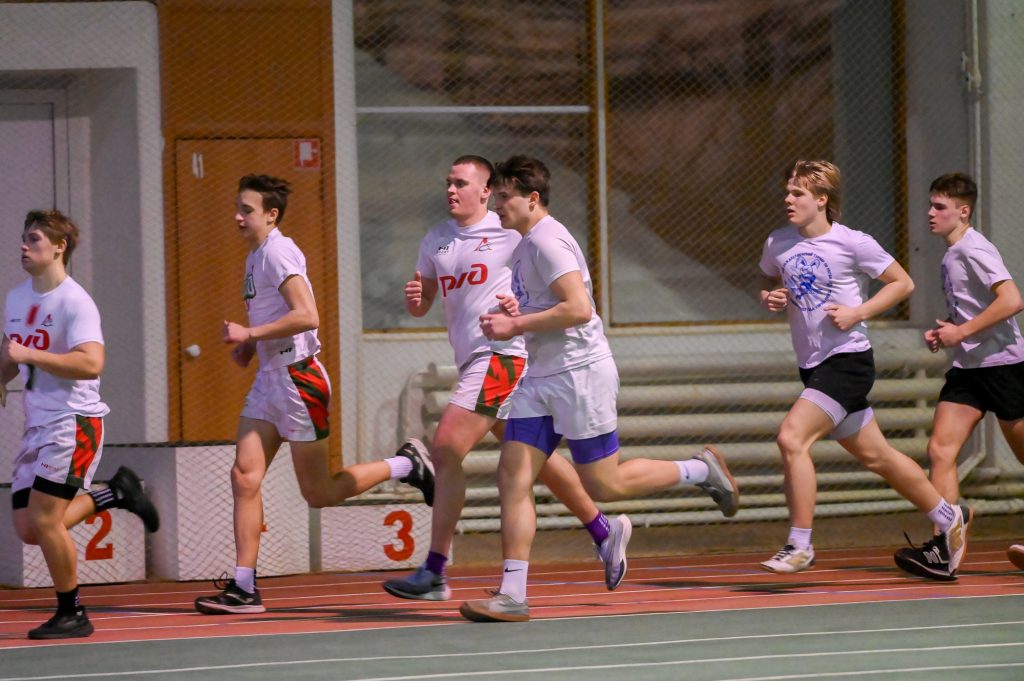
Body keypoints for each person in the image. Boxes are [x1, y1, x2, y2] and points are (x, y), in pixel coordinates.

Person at [458, 156, 739, 623]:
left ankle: (698, 469)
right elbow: (550, 305)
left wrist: (516, 324)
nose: (496, 204)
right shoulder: (525, 245)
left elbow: (579, 308)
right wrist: (519, 309)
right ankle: (512, 594)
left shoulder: (547, 241)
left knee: (605, 484)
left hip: (579, 375)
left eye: (504, 196)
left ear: (532, 199)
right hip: (539, 379)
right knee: (513, 477)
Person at [383, 156, 661, 600]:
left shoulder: (513, 231)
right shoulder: (436, 239)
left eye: (461, 183)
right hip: (474, 358)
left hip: (504, 358)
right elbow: (424, 302)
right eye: (448, 182)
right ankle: (603, 530)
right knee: (533, 462)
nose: (451, 190)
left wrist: (518, 318)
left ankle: (436, 569)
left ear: (486, 191)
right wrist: (416, 300)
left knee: (448, 446)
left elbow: (561, 289)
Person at [194, 175, 434, 614]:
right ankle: (244, 587)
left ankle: (407, 464)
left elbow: (307, 315)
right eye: (237, 208)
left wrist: (251, 333)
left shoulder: (279, 251)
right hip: (269, 380)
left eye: (246, 210)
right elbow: (275, 316)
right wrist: (251, 346)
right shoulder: (255, 256)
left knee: (319, 493)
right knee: (244, 476)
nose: (237, 217)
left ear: (271, 215)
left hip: (299, 380)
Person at [757, 160, 970, 580]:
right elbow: (766, 280)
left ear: (822, 199)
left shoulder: (853, 242)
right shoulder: (778, 242)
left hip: (847, 361)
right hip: (812, 366)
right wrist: (770, 297)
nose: (788, 199)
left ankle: (800, 545)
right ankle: (949, 517)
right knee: (879, 456)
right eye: (787, 192)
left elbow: (902, 282)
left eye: (798, 193)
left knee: (791, 437)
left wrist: (858, 312)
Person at [1, 210, 159, 640]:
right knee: (28, 529)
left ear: (59, 247)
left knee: (45, 519)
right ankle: (116, 492)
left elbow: (91, 362)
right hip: (38, 424)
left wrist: (30, 356)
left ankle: (72, 613)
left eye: (34, 238)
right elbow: (11, 353)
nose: (24, 245)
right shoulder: (16, 299)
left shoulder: (75, 302)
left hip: (74, 422)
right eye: (23, 237)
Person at [910, 173, 1024, 574]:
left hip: (1004, 367)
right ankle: (946, 547)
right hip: (968, 369)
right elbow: (973, 309)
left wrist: (961, 332)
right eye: (930, 204)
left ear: (963, 211)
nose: (931, 212)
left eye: (939, 206)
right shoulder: (952, 253)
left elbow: (1012, 300)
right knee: (941, 450)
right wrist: (950, 330)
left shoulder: (974, 248)